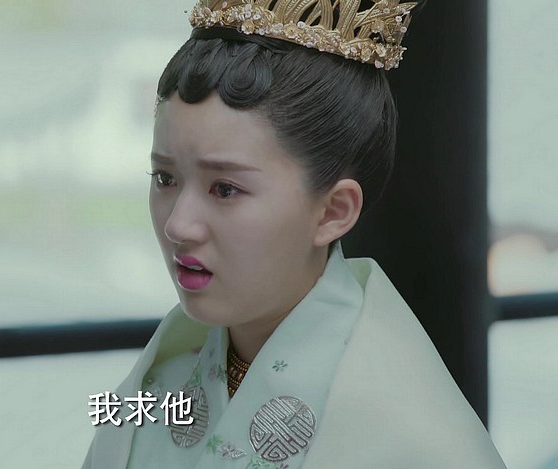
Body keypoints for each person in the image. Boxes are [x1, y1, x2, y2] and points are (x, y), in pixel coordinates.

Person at [84, 1, 507, 467]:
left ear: (333, 211)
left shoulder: (412, 436)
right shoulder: (164, 377)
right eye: (165, 178)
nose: (178, 225)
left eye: (225, 189)